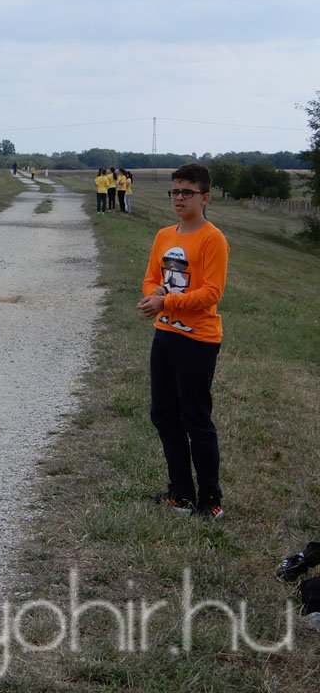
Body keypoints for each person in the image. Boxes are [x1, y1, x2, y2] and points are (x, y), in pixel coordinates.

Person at [137, 163, 229, 521]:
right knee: (163, 414)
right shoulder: (164, 235)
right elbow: (150, 278)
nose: (179, 197)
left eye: (187, 192)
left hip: (198, 340)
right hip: (165, 335)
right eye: (175, 191)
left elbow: (210, 293)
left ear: (204, 197)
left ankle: (211, 499)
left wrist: (167, 301)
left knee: (196, 419)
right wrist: (154, 294)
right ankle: (180, 493)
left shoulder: (212, 238)